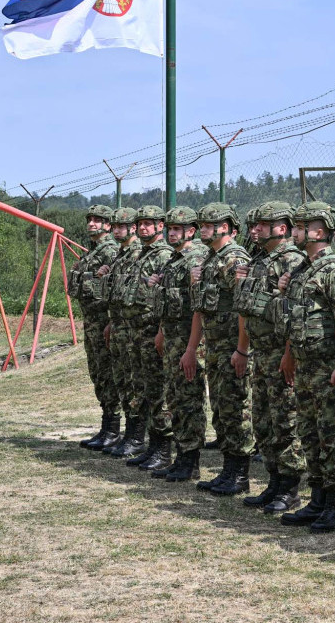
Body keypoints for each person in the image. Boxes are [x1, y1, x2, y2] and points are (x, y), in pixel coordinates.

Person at [276, 202, 335, 533]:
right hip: (305, 364)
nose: (294, 232)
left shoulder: (334, 271)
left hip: (326, 366)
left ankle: (334, 508)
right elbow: (297, 317)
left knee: (331, 436)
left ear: (318, 231)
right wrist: (288, 353)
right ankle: (318, 499)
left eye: (300, 226)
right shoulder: (303, 271)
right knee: (310, 434)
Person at [234, 201, 308, 514]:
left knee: (285, 421)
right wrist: (243, 348)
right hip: (261, 353)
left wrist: (290, 354)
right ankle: (274, 482)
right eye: (253, 224)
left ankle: (290, 488)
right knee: (264, 421)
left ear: (281, 227)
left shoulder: (292, 260)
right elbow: (247, 308)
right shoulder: (259, 259)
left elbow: (295, 314)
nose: (254, 230)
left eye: (261, 225)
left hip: (281, 353)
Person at [187, 203, 256, 496]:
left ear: (225, 227)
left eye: (208, 225)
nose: (202, 229)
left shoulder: (234, 259)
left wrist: (242, 350)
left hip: (231, 347)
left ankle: (239, 475)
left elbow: (244, 309)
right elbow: (203, 309)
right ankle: (228, 471)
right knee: (222, 408)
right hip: (215, 347)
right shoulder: (212, 260)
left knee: (236, 408)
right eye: (201, 225)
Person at [150, 207, 211, 482]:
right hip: (173, 339)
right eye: (170, 228)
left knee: (189, 400)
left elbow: (198, 309)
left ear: (191, 231)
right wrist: (162, 332)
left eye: (177, 229)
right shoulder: (174, 261)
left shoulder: (195, 260)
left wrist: (190, 349)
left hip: (190, 341)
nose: (171, 233)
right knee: (175, 398)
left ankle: (191, 460)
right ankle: (180, 457)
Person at [119, 206, 176, 472]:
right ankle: (152, 445)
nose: (143, 228)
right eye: (140, 224)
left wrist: (161, 331)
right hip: (137, 330)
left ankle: (163, 449)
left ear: (160, 226)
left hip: (153, 330)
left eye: (148, 224)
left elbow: (164, 297)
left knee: (158, 390)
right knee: (144, 389)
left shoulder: (164, 255)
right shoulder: (142, 254)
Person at [70, 205, 123, 451]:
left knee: (107, 374)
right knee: (99, 374)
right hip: (92, 320)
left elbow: (111, 290)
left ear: (108, 225)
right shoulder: (93, 252)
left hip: (103, 320)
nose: (92, 223)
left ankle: (113, 429)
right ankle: (107, 426)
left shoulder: (110, 251)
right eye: (90, 219)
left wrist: (112, 321)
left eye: (98, 220)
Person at [100, 207, 143, 456]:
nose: (116, 230)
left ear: (132, 228)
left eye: (121, 226)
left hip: (134, 329)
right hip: (120, 327)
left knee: (135, 384)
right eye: (114, 226)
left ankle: (136, 436)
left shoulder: (137, 255)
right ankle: (128, 433)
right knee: (124, 382)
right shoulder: (121, 255)